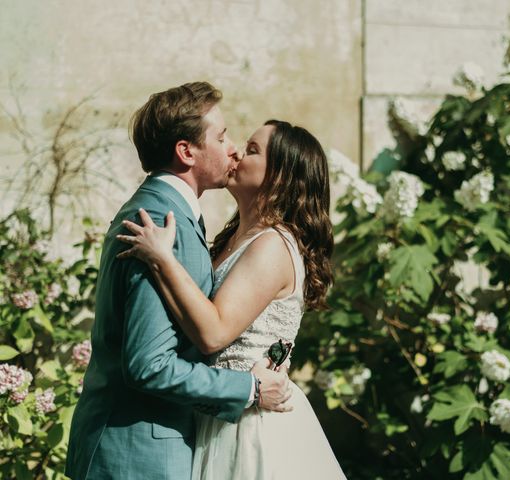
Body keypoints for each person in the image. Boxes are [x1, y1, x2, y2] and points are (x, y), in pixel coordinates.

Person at [65, 82, 291, 480]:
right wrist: (249, 390)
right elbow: (149, 365)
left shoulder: (165, 214)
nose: (232, 148)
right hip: (137, 452)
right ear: (187, 152)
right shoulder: (164, 222)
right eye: (221, 137)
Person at [116, 119, 346, 479]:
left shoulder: (274, 244)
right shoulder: (235, 238)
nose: (237, 151)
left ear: (281, 177)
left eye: (253, 150)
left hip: (251, 427)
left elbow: (214, 332)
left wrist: (162, 259)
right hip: (220, 413)